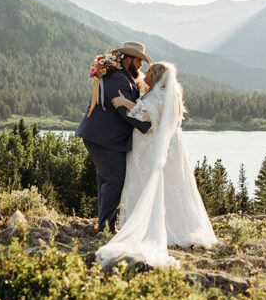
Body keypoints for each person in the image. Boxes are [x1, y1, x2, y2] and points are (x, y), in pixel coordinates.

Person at [96, 61, 217, 269]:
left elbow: (145, 114)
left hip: (151, 150)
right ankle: (171, 225)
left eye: (150, 71)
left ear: (158, 75)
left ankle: (156, 228)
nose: (145, 74)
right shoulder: (166, 93)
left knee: (150, 183)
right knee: (170, 186)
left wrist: (124, 102)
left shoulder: (159, 95)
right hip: (164, 148)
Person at [75, 42, 153, 233]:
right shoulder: (117, 79)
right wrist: (150, 127)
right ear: (127, 60)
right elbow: (124, 112)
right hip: (102, 137)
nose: (141, 66)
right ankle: (104, 226)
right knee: (115, 179)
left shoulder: (124, 77)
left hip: (107, 138)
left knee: (106, 180)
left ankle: (106, 225)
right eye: (138, 61)